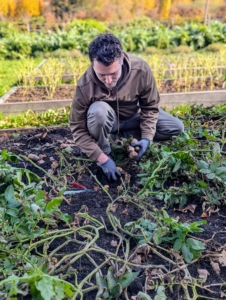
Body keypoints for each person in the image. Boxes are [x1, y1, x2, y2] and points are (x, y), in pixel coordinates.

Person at [69, 33, 184, 181]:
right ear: (92, 64)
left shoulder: (141, 69)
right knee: (98, 112)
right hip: (108, 122)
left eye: (113, 73)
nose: (109, 81)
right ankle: (107, 146)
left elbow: (149, 106)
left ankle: (128, 137)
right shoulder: (85, 84)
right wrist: (102, 158)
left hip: (134, 116)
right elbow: (77, 128)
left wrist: (147, 137)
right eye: (102, 75)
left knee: (176, 127)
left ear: (122, 59)